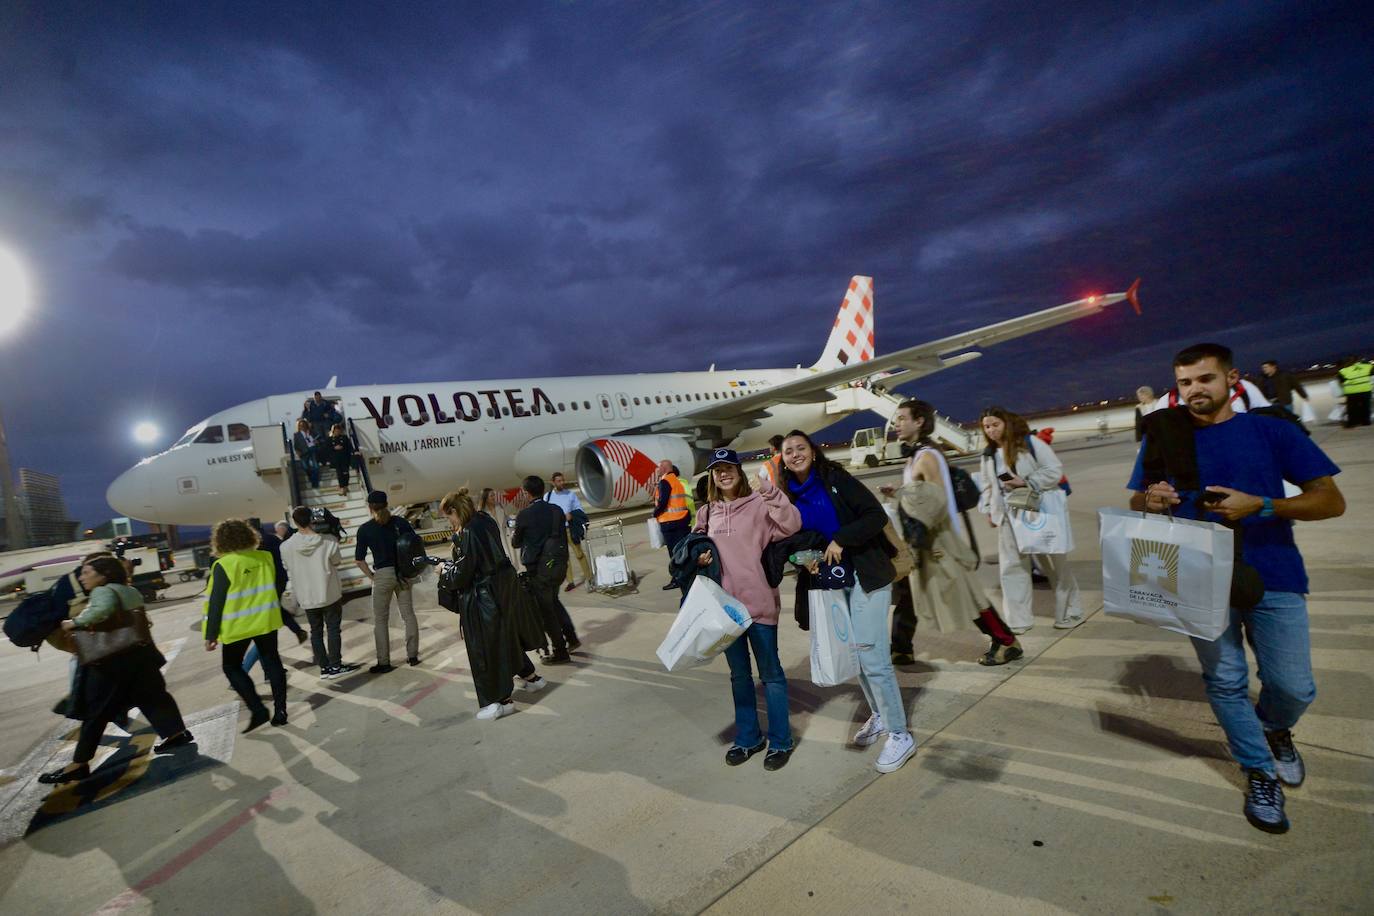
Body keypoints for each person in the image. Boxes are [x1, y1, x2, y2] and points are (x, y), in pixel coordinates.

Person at [1130, 342, 1345, 834]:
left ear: (1231, 379)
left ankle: (1273, 729)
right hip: (1197, 575)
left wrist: (1263, 506)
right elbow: (1139, 495)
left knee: (1293, 684)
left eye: (1204, 379)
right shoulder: (1164, 432)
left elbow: (1330, 501)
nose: (1194, 391)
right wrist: (1154, 499)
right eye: (1184, 383)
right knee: (1225, 679)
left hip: (1273, 570)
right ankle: (1258, 769)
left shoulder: (1271, 430)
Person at [778, 430, 915, 774]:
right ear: (782, 459)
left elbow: (874, 516)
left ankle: (900, 734)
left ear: (812, 451)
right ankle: (881, 715)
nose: (795, 454)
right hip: (832, 581)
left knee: (873, 653)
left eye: (800, 448)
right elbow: (799, 538)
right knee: (856, 651)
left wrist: (841, 538)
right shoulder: (789, 495)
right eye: (788, 451)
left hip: (866, 574)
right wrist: (805, 556)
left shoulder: (835, 479)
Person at [882, 400, 1022, 666]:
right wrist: (899, 492)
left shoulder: (927, 456)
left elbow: (937, 501)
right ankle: (900, 647)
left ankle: (1006, 641)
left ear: (919, 421)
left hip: (938, 541)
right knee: (911, 591)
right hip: (925, 540)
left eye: (902, 418)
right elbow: (921, 494)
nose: (896, 424)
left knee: (968, 594)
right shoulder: (917, 455)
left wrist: (918, 533)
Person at [38, 557, 194, 784]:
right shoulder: (128, 590)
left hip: (113, 660)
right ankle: (176, 733)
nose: (82, 577)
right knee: (154, 696)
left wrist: (72, 623)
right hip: (140, 653)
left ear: (104, 574)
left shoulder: (104, 591)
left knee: (95, 711)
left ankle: (78, 764)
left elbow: (99, 612)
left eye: (86, 572)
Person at [693, 448, 802, 771]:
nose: (723, 474)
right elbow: (694, 545)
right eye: (717, 470)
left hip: (758, 603)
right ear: (712, 476)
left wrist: (769, 490)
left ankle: (781, 741)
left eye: (729, 468)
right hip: (725, 610)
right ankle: (749, 738)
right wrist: (699, 556)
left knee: (771, 676)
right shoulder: (707, 512)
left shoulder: (758, 504)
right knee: (739, 676)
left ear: (739, 471)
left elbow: (792, 524)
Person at [440, 488, 546, 720]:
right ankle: (531, 678)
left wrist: (444, 572)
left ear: (456, 511)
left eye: (449, 517)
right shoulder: (484, 520)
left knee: (486, 649)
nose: (449, 522)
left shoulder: (468, 532)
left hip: (483, 595)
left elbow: (463, 573)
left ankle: (498, 702)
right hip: (504, 588)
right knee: (505, 637)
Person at [978, 406, 1084, 633]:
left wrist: (1026, 481)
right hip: (1009, 516)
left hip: (1039, 512)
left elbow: (1053, 470)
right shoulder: (988, 455)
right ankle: (1018, 620)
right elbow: (988, 485)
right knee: (1012, 568)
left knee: (1056, 565)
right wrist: (989, 509)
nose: (991, 430)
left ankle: (1071, 612)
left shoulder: (1030, 444)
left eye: (995, 424)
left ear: (1006, 423)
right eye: (987, 426)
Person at [203, 519, 290, 732]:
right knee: (273, 663)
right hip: (265, 620)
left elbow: (216, 603)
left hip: (237, 625)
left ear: (220, 541)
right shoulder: (265, 557)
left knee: (231, 667)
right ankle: (280, 711)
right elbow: (275, 582)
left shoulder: (223, 565)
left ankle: (258, 708)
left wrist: (211, 633)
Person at [280, 506, 356, 679]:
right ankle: (336, 666)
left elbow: (287, 568)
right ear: (312, 519)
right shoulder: (328, 541)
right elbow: (336, 562)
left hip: (306, 597)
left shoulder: (285, 547)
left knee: (316, 632)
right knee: (333, 630)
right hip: (329, 594)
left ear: (294, 522)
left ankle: (324, 668)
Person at [511, 476, 579, 664]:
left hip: (539, 571)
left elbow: (516, 542)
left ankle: (560, 651)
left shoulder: (524, 515)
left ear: (526, 493)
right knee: (554, 602)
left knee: (546, 611)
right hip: (558, 566)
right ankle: (571, 637)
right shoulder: (556, 510)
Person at [354, 490, 423, 673]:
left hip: (382, 575)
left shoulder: (365, 529)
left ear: (369, 507)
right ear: (387, 504)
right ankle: (413, 656)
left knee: (381, 620)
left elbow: (359, 560)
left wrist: (372, 576)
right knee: (408, 615)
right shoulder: (401, 523)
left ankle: (384, 662)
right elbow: (415, 545)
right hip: (403, 573)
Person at [544, 472, 593, 591]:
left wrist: (572, 515)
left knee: (579, 553)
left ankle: (589, 577)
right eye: (559, 481)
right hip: (557, 531)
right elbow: (545, 513)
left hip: (569, 528)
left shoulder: (570, 495)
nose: (561, 483)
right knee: (564, 557)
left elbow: (579, 509)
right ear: (553, 482)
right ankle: (570, 581)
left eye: (562, 480)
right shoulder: (548, 497)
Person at [653, 459, 693, 591]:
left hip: (671, 523)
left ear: (664, 469)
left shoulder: (665, 481)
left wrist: (655, 512)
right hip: (681, 521)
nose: (656, 470)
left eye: (658, 468)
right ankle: (685, 576)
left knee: (674, 554)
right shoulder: (676, 480)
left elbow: (663, 502)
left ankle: (678, 579)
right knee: (683, 552)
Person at [478, 487, 520, 567]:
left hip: (505, 537)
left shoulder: (500, 507)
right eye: (491, 496)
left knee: (512, 559)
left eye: (494, 495)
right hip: (494, 540)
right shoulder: (482, 513)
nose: (494, 497)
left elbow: (507, 519)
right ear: (486, 498)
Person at [1337, 355, 1371, 427]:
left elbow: (1341, 381)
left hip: (1351, 391)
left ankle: (1352, 422)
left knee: (1352, 408)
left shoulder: (1343, 370)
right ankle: (1366, 421)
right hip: (1365, 389)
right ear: (1357, 360)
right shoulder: (1366, 367)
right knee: (1366, 407)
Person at [326, 423, 355, 495]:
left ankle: (346, 486)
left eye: (338, 430)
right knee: (339, 474)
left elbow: (349, 446)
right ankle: (342, 487)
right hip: (336, 459)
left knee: (346, 473)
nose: (337, 432)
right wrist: (334, 448)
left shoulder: (344, 438)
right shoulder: (330, 439)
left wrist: (354, 452)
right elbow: (327, 449)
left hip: (345, 458)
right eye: (335, 430)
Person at [292, 419, 321, 488]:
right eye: (301, 425)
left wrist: (317, 442)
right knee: (306, 467)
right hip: (304, 452)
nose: (303, 426)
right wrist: (297, 451)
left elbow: (320, 439)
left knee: (315, 467)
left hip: (312, 449)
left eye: (304, 425)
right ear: (299, 426)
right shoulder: (297, 435)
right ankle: (311, 478)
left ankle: (315, 484)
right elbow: (295, 445)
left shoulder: (311, 432)